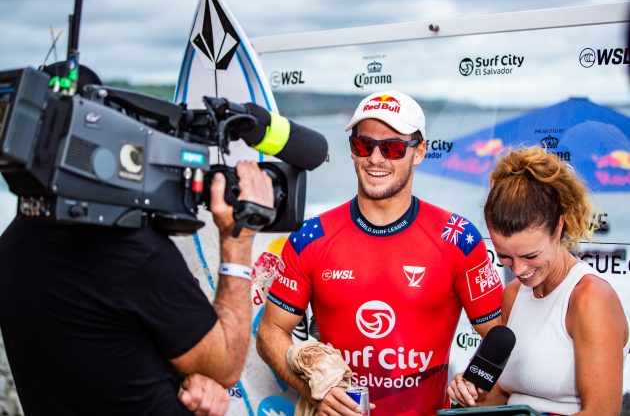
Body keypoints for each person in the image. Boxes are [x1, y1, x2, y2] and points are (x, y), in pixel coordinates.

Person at [256, 90, 504, 415]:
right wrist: (312, 388)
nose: (375, 158)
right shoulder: (311, 238)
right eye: (364, 145)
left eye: (393, 147)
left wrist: (474, 383)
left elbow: (500, 337)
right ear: (352, 149)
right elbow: (270, 331)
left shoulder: (457, 238)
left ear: (419, 152)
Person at [0, 158, 274, 415]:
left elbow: (106, 350)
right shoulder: (135, 253)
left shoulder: (14, 244)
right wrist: (238, 238)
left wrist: (186, 375)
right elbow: (224, 367)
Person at [447, 146, 630, 415]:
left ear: (558, 228)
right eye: (505, 258)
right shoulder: (512, 295)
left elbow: (602, 412)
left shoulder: (590, 298)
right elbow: (503, 395)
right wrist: (470, 396)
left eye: (530, 255)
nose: (519, 270)